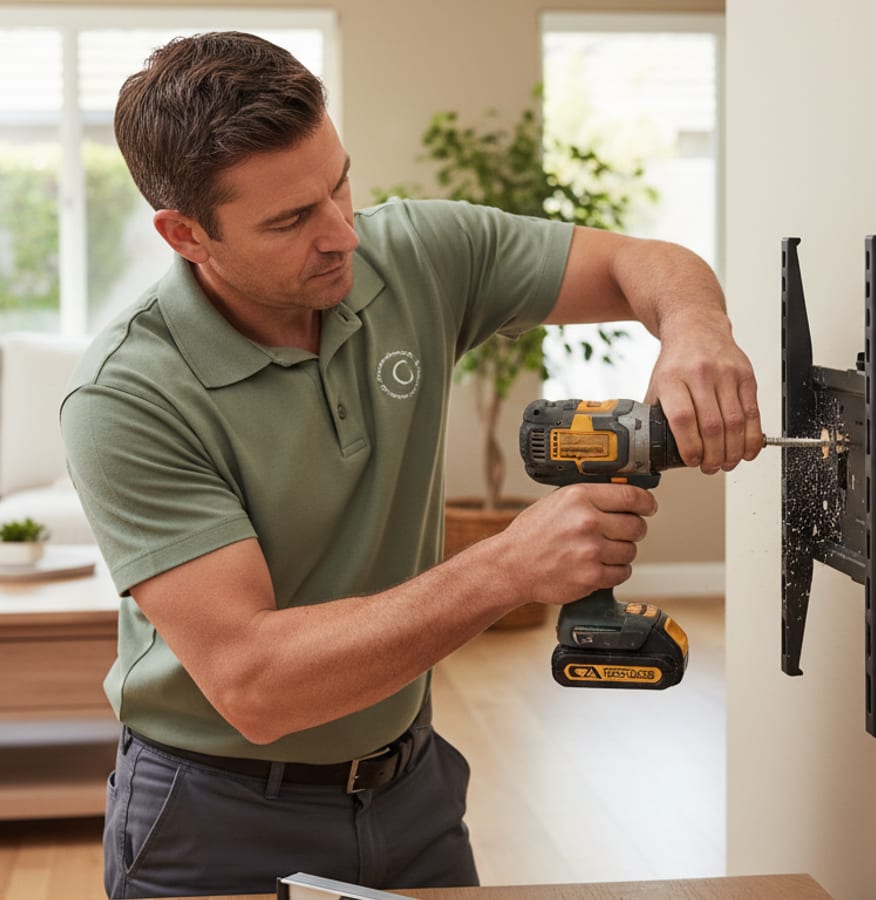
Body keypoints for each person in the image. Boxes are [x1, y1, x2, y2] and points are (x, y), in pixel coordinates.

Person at [60, 30, 763, 900]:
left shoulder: (417, 252)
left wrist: (697, 330)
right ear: (186, 234)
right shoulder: (126, 397)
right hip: (214, 815)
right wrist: (509, 565)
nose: (342, 234)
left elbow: (642, 263)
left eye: (339, 182)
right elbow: (255, 682)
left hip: (411, 792)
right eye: (289, 220)